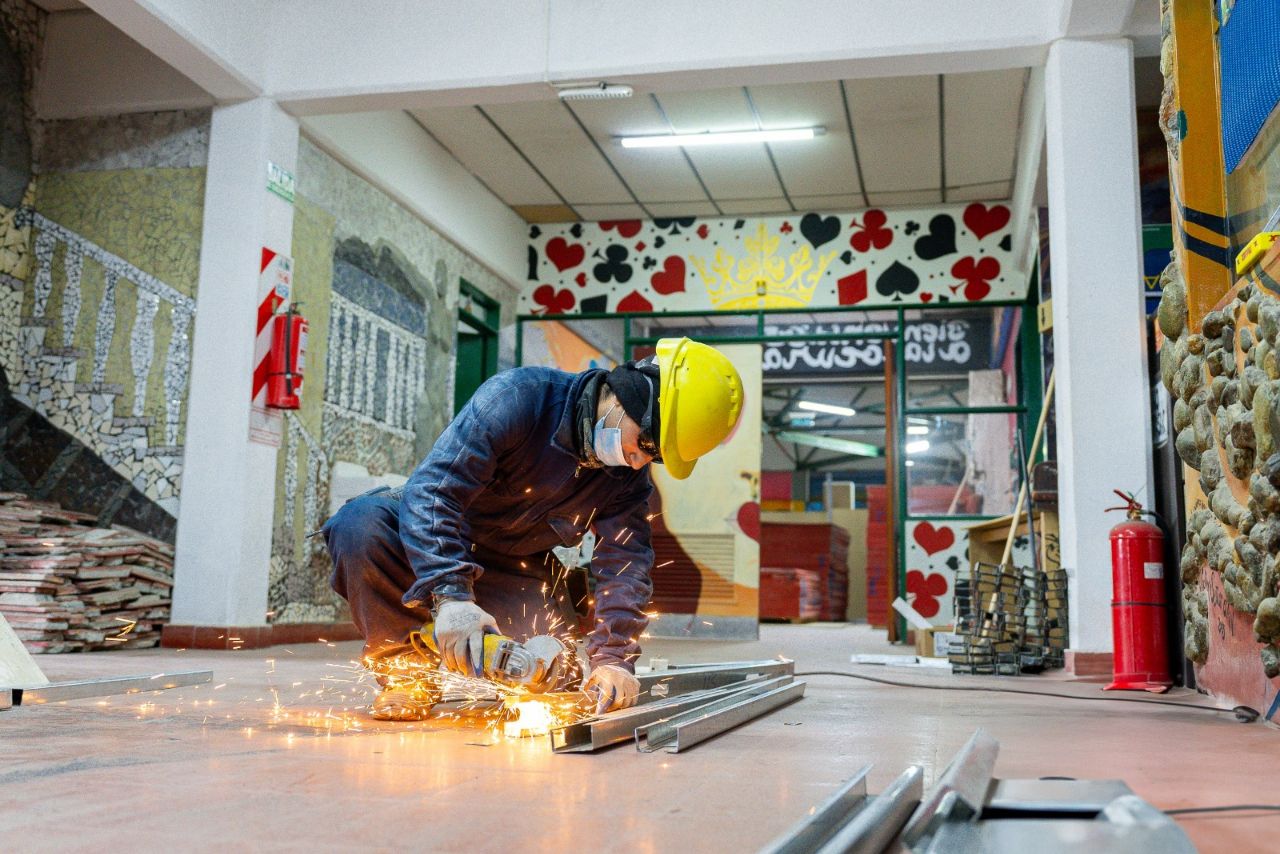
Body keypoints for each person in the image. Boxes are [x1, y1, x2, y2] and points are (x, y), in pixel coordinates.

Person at [324, 337, 744, 720]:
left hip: (511, 568)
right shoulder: (518, 399)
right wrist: (451, 595)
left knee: (550, 674)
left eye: (653, 458)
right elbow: (434, 493)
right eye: (646, 444)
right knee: (359, 524)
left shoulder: (626, 480)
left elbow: (626, 564)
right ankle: (407, 675)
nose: (637, 462)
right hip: (428, 543)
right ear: (627, 396)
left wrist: (614, 659)